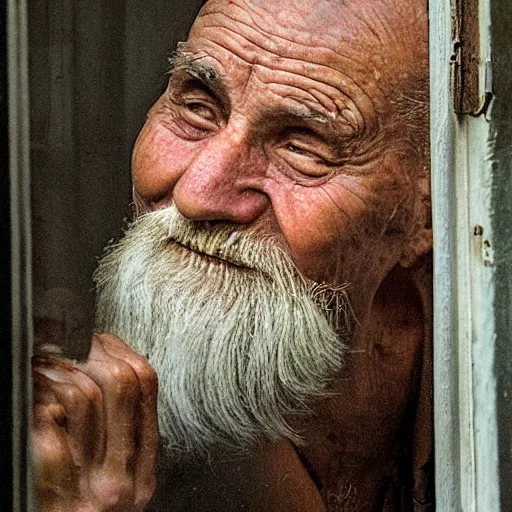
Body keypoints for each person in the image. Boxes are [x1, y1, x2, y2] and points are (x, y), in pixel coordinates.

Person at [32, 0, 433, 510]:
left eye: (301, 146)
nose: (196, 193)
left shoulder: (476, 361)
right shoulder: (51, 413)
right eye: (198, 107)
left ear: (430, 208)